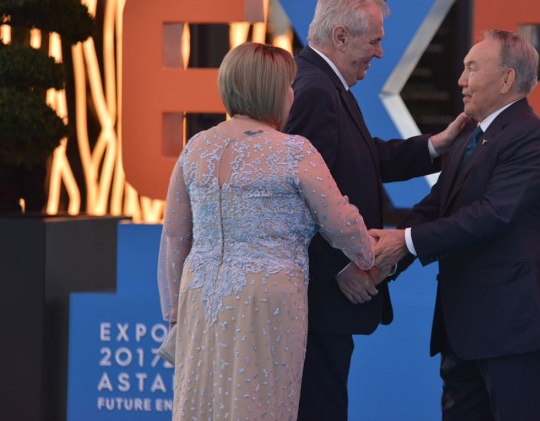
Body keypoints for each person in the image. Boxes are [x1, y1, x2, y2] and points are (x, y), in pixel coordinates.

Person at [157, 42, 376, 420]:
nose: (293, 93)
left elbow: (175, 235)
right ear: (274, 91)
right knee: (260, 402)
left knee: (204, 401)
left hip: (200, 295)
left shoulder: (196, 147)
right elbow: (340, 221)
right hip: (266, 299)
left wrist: (176, 311)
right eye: (289, 85)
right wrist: (368, 253)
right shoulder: (293, 151)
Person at [283, 0, 468, 420]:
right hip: (321, 299)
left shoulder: (325, 84)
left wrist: (435, 145)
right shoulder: (315, 90)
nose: (380, 53)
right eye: (375, 41)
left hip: (324, 306)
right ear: (341, 36)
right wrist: (339, 267)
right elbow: (295, 197)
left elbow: (363, 158)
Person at [371, 30, 540, 420]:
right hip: (462, 333)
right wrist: (382, 262)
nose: (461, 80)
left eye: (472, 68)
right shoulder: (468, 135)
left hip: (513, 333)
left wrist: (404, 242)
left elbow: (492, 215)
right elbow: (435, 206)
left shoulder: (530, 135)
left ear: (507, 79)